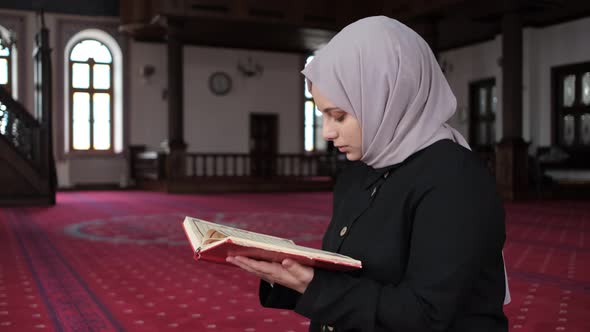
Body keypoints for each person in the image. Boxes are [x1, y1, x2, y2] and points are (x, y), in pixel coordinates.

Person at [226, 15, 510, 332]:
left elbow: (425, 315)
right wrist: (288, 272)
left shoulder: (455, 179)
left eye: (339, 115)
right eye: (323, 115)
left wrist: (313, 286)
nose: (328, 133)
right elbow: (351, 275)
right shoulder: (361, 171)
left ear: (388, 96)